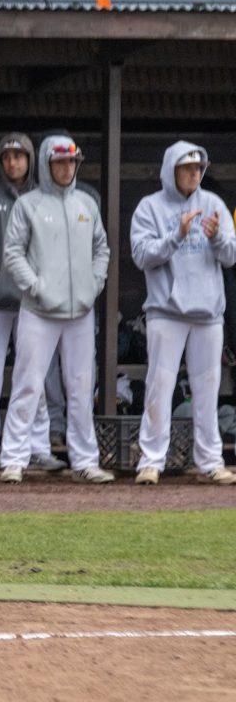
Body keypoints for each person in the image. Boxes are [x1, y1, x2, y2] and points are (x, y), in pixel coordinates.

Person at [0, 135, 113, 484]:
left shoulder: (86, 204)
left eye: (72, 162)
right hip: (39, 310)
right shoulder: (28, 204)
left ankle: (85, 460)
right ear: (47, 163)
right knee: (28, 384)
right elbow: (12, 253)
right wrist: (36, 288)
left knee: (81, 386)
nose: (67, 168)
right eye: (60, 162)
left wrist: (94, 286)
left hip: (80, 312)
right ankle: (14, 459)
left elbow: (102, 249)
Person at [0, 134, 67, 473]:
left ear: (30, 160)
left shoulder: (45, 196)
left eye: (19, 156)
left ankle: (38, 446)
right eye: (6, 157)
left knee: (34, 375)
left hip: (32, 301)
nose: (12, 163)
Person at [130, 142, 236, 485]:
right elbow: (141, 256)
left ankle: (211, 461)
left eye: (197, 168)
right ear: (171, 169)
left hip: (208, 313)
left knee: (208, 389)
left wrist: (218, 237)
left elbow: (231, 256)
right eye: (186, 167)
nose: (193, 173)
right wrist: (176, 235)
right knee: (159, 386)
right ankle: (151, 461)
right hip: (167, 311)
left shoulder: (213, 204)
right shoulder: (150, 207)